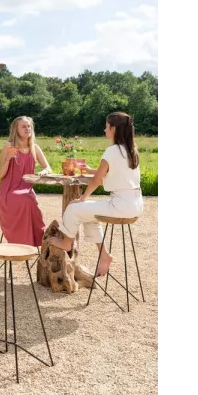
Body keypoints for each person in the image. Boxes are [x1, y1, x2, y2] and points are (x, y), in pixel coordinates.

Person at [50, 111, 144, 276]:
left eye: (107, 127)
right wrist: (90, 170)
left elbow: (97, 181)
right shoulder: (131, 150)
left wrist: (82, 198)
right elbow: (112, 172)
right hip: (135, 205)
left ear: (113, 129)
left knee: (74, 209)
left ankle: (66, 242)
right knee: (89, 215)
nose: (104, 130)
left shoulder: (112, 150)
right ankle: (104, 255)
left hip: (120, 206)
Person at [0, 116, 52, 247]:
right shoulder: (9, 146)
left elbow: (48, 167)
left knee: (30, 202)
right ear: (16, 130)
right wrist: (8, 159)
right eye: (23, 126)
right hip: (9, 190)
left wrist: (43, 172)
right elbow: (1, 174)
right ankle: (25, 243)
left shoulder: (34, 147)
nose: (27, 129)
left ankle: (36, 241)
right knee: (27, 200)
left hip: (26, 189)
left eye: (29, 126)